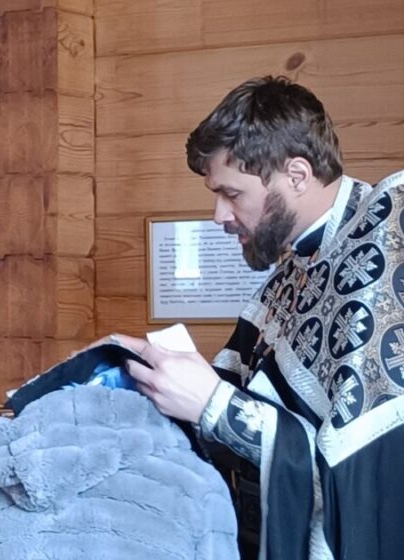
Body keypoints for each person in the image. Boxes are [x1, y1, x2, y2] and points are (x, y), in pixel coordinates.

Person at [109, 76, 404, 560]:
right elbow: (231, 394)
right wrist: (144, 368)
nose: (219, 215)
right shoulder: (285, 281)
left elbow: (362, 470)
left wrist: (214, 405)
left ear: (297, 175)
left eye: (232, 194)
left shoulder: (390, 235)